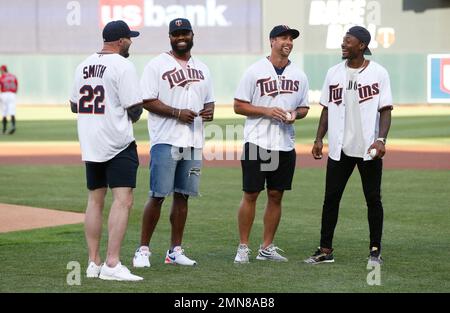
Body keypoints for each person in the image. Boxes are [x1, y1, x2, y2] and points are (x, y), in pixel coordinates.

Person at [304, 26, 393, 266]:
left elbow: (385, 110)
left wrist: (381, 140)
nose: (343, 45)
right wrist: (318, 138)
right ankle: (325, 250)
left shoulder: (378, 73)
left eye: (348, 41)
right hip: (339, 148)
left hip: (368, 150)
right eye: (343, 41)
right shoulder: (333, 73)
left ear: (361, 45)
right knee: (330, 199)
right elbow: (326, 108)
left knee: (373, 199)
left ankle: (375, 251)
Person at [133, 18, 215, 267]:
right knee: (158, 195)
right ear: (169, 37)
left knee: (183, 196)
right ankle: (143, 250)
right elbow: (146, 99)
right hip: (165, 139)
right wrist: (177, 112)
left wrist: (209, 111)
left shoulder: (202, 68)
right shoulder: (156, 65)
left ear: (192, 34)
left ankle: (174, 251)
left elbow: (209, 100)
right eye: (175, 33)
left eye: (184, 32)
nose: (181, 37)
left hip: (193, 141)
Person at [69, 20, 144, 281]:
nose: (131, 42)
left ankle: (93, 262)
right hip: (118, 143)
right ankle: (112, 264)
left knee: (94, 201)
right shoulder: (123, 65)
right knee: (123, 200)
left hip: (91, 142)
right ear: (121, 40)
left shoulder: (82, 65)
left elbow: (73, 105)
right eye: (129, 38)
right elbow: (134, 109)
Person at [233, 25, 310, 263]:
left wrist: (295, 115)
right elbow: (239, 105)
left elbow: (304, 107)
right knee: (251, 194)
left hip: (285, 144)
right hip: (258, 141)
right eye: (283, 37)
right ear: (272, 41)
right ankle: (243, 246)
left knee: (276, 195)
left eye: (291, 38)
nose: (288, 42)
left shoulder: (299, 75)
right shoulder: (255, 71)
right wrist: (267, 111)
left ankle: (266, 247)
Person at [0, 65, 18, 135]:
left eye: (1, 70)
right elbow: (16, 86)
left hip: (4, 94)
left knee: (4, 112)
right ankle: (13, 126)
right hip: (12, 94)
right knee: (12, 111)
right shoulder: (13, 77)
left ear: (3, 70)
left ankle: (4, 129)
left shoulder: (2, 77)